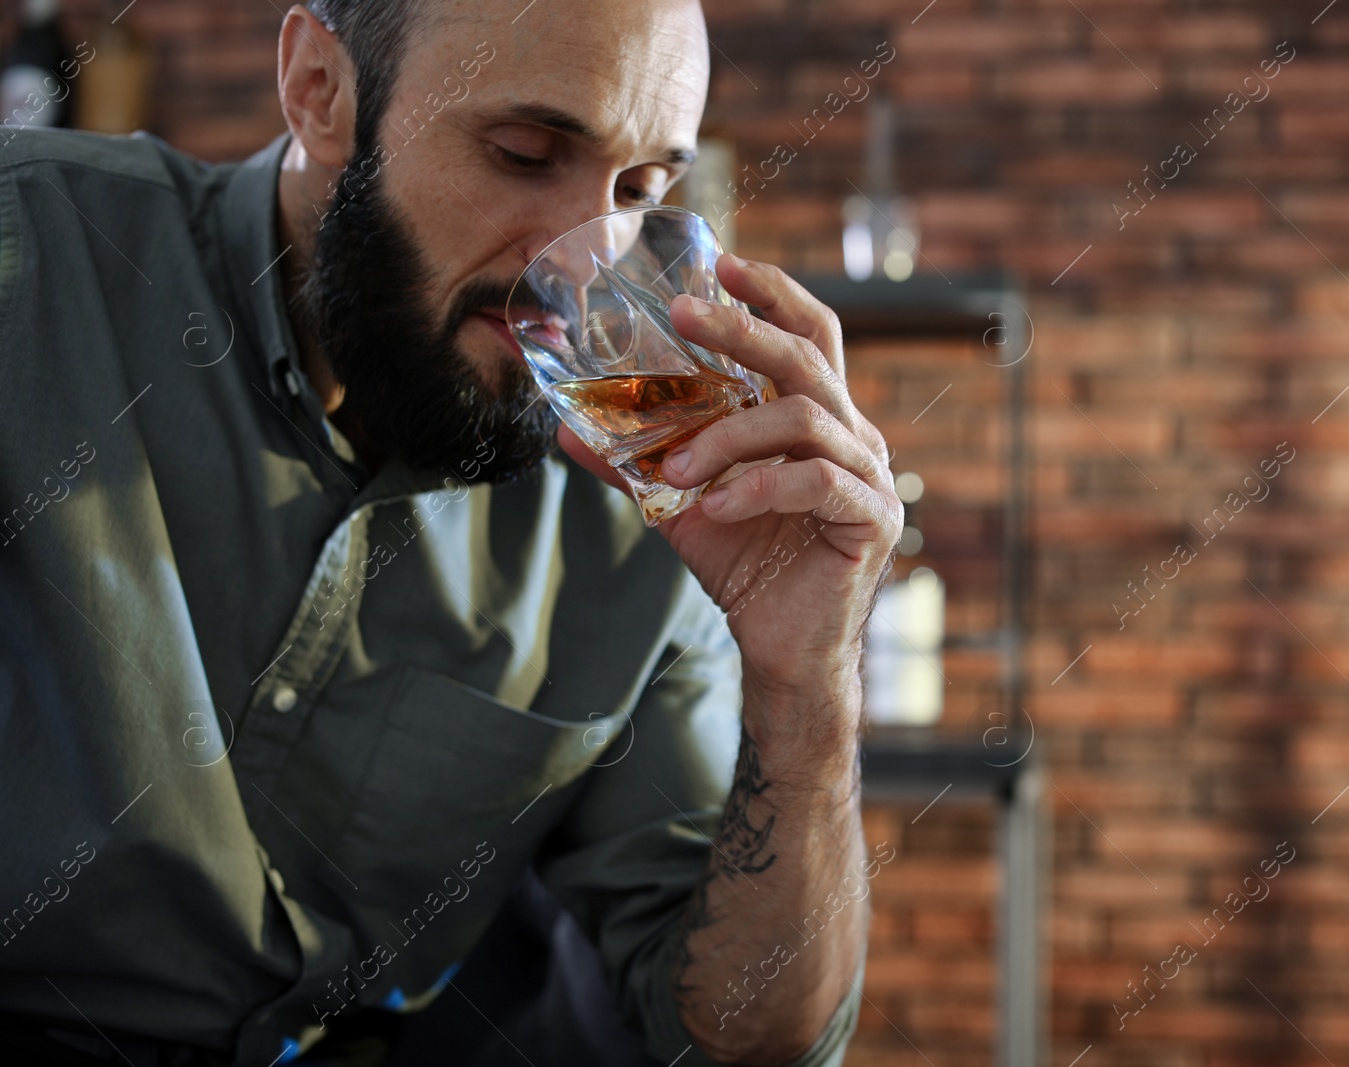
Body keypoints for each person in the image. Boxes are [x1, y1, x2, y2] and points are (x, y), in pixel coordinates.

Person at [0, 0, 901, 1064]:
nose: (586, 262)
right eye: (524, 154)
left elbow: (745, 1040)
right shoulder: (36, 263)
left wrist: (806, 679)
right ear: (320, 92)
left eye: (639, 191)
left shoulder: (661, 498)